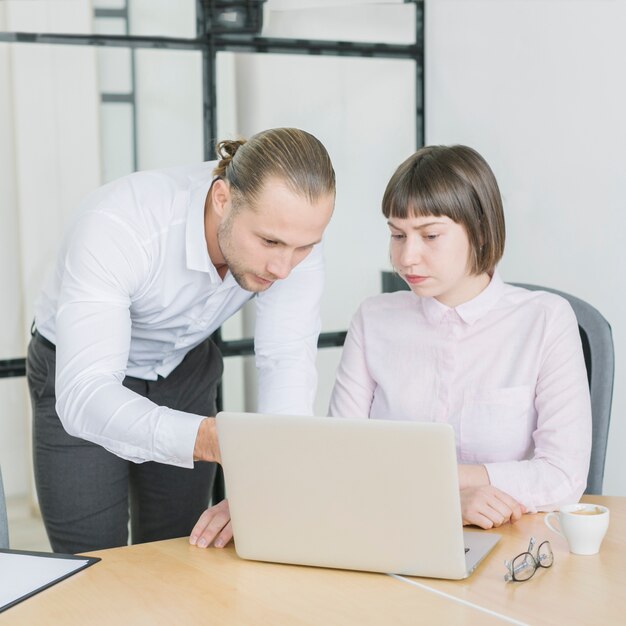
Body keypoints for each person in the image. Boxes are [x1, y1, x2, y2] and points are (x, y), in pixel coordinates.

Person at [26, 127, 336, 554]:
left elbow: (286, 358)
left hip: (184, 368)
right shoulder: (120, 225)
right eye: (269, 242)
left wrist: (270, 484)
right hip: (80, 371)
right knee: (91, 561)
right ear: (222, 199)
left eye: (303, 248)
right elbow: (86, 393)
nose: (284, 268)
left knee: (182, 550)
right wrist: (211, 439)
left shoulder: (292, 230)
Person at [329, 144, 592, 530]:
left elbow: (563, 476)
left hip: (511, 543)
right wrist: (447, 502)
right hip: (391, 530)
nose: (406, 258)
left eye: (430, 235)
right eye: (397, 235)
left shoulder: (545, 320)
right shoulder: (374, 319)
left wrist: (437, 485)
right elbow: (341, 458)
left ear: (481, 231)